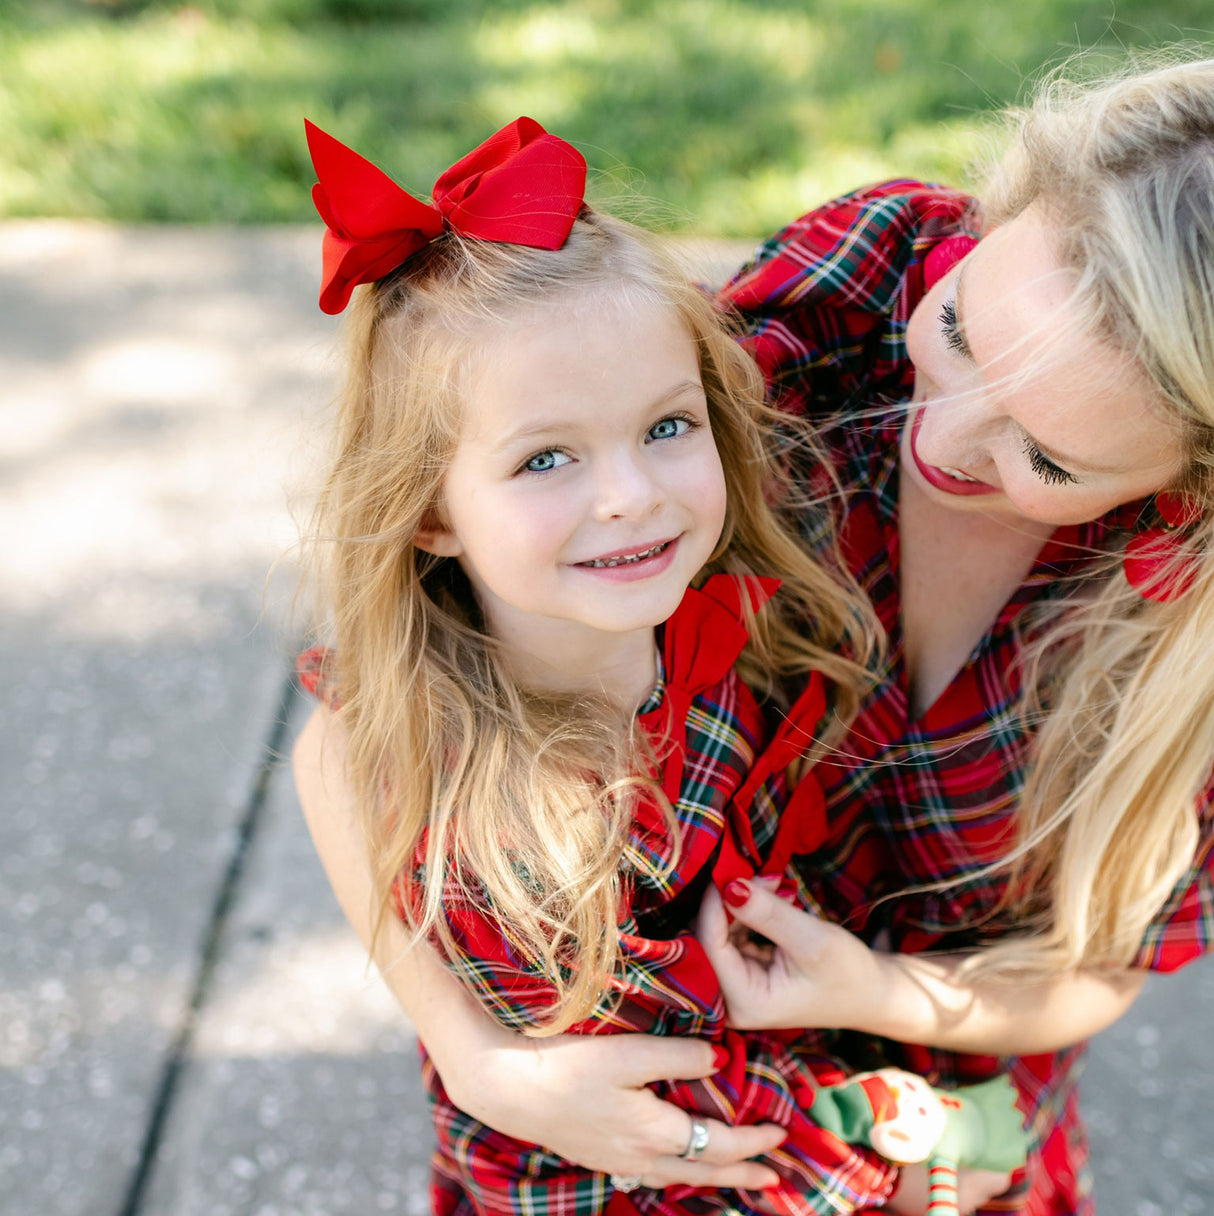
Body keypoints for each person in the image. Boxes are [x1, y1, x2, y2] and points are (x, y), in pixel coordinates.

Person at [294, 54, 1214, 1215]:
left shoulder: (1183, 638)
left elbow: (1095, 971)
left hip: (949, 1111)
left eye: (1046, 455)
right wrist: (482, 1060)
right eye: (962, 331)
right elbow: (367, 715)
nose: (939, 433)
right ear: (995, 217)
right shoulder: (833, 307)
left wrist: (878, 999)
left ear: (1188, 485)